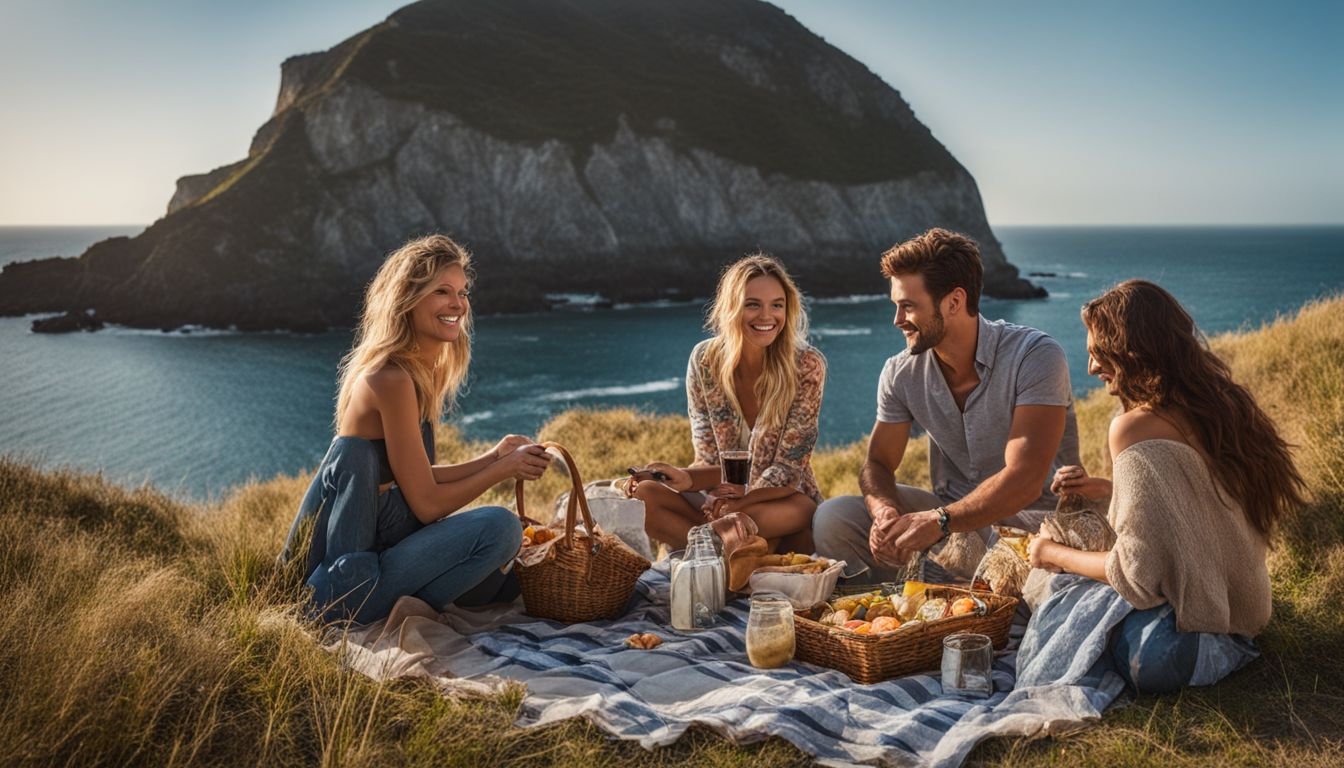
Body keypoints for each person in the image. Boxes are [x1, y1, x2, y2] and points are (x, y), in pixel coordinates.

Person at [1028, 279, 1303, 693]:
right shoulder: (1220, 405)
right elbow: (1200, 501)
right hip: (1244, 621)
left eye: (1098, 354)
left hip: (1178, 648)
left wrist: (1052, 554)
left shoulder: (1131, 428)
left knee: (1059, 587)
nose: (1090, 369)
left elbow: (1134, 574)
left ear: (1130, 350)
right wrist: (1107, 488)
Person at [281, 234, 551, 624]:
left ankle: (400, 603)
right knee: (500, 527)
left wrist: (493, 457)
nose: (457, 304)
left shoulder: (417, 373)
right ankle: (355, 610)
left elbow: (413, 479)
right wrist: (502, 471)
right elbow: (425, 504)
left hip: (384, 540)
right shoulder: (390, 379)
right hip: (348, 573)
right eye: (442, 291)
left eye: (462, 292)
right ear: (407, 299)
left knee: (504, 573)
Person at [813, 228, 1080, 582]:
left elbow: (1026, 480)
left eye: (908, 306)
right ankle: (909, 614)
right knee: (833, 518)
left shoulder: (1035, 355)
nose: (897, 320)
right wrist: (884, 513)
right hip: (947, 525)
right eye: (896, 305)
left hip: (1031, 527)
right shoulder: (901, 371)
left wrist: (939, 521)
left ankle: (948, 596)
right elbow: (877, 463)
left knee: (1024, 570)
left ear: (954, 302)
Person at [629, 253, 826, 552]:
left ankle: (705, 551)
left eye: (777, 305)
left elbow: (788, 469)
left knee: (770, 514)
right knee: (644, 495)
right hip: (721, 499)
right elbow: (710, 460)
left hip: (780, 500)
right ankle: (731, 554)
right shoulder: (704, 361)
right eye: (752, 304)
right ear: (732, 307)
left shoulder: (807, 365)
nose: (766, 316)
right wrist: (684, 478)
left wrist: (740, 501)